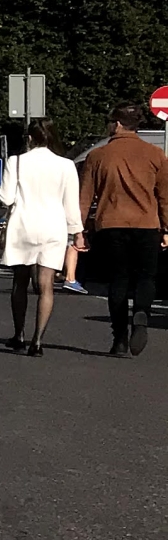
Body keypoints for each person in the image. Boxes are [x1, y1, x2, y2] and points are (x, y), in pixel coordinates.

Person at [77, 103, 168, 356]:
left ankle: (119, 337)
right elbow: (164, 196)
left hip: (111, 224)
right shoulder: (155, 154)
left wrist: (78, 230)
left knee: (118, 280)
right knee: (146, 277)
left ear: (116, 124)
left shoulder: (98, 156)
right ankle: (142, 312)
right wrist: (167, 228)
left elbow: (85, 197)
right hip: (147, 225)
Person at [0, 119, 81, 357]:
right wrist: (77, 232)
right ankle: (38, 340)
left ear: (30, 139)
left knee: (20, 283)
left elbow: (6, 197)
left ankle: (19, 335)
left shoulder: (16, 162)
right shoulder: (66, 165)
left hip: (23, 225)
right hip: (53, 227)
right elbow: (71, 204)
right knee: (46, 285)